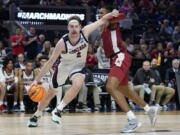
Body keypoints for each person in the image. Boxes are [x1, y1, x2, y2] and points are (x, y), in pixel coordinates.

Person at [27, 10, 120, 127]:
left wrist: (111, 14)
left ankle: (58, 109)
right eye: (71, 26)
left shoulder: (85, 32)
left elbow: (101, 20)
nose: (74, 29)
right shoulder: (62, 43)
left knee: (78, 84)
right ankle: (37, 114)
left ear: (80, 27)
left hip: (78, 67)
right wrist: (36, 80)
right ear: (68, 28)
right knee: (51, 93)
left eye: (76, 26)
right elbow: (50, 62)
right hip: (63, 67)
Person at [99, 6, 159, 133]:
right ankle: (149, 109)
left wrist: (113, 14)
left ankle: (132, 120)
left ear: (108, 14)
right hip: (116, 59)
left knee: (110, 87)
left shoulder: (112, 23)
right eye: (99, 13)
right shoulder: (103, 25)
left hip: (120, 56)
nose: (99, 15)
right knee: (124, 89)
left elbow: (122, 16)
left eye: (102, 13)